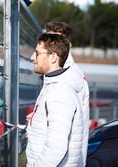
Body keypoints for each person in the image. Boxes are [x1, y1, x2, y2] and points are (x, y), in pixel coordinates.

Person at [26, 33, 87, 166]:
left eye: (37, 53)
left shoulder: (59, 93)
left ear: (53, 57)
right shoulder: (55, 87)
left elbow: (56, 147)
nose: (32, 58)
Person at [45, 21, 90, 166]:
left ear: (68, 45)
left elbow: (59, 141)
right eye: (49, 40)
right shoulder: (57, 71)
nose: (51, 45)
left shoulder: (68, 77)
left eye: (57, 41)